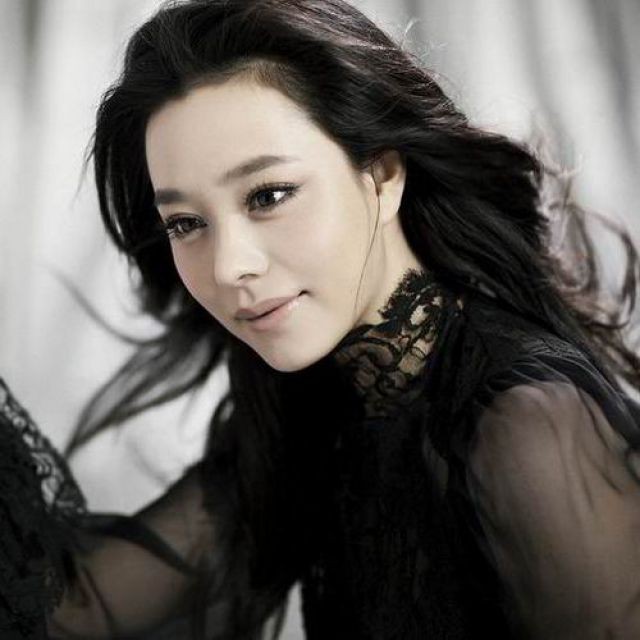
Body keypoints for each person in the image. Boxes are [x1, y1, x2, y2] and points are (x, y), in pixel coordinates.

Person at [2, 0, 640, 637]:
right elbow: (74, 611)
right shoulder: (318, 408)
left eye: (269, 195)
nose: (228, 266)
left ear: (383, 176)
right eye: (186, 223)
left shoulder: (525, 424)